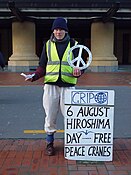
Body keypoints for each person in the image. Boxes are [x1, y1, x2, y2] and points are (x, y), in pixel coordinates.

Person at [26, 17, 86, 156]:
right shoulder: (47, 45)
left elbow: (81, 65)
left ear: (66, 31)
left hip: (68, 86)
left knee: (72, 116)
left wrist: (79, 71)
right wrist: (34, 76)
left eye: (61, 29)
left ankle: (73, 144)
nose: (58, 32)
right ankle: (49, 143)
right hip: (51, 86)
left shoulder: (74, 44)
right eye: (56, 29)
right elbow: (42, 66)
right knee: (50, 115)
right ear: (53, 30)